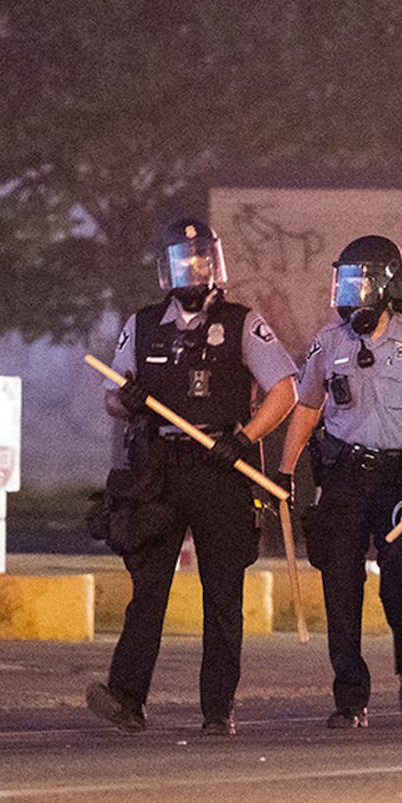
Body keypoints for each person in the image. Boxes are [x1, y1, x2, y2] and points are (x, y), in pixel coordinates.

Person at [87, 219, 298, 737]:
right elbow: (113, 396)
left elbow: (285, 391)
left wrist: (245, 438)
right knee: (149, 588)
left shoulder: (244, 322)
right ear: (166, 271)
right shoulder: (142, 324)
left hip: (222, 465)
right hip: (159, 468)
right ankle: (127, 697)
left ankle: (217, 708)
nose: (194, 271)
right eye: (184, 262)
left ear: (216, 265)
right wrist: (127, 399)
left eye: (202, 260)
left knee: (222, 592)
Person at [274, 236, 402, 728]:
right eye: (345, 281)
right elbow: (308, 405)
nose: (351, 293)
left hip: (399, 480)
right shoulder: (329, 341)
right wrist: (285, 470)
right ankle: (350, 697)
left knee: (399, 588)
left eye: (361, 282)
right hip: (344, 475)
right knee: (340, 588)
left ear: (387, 285)